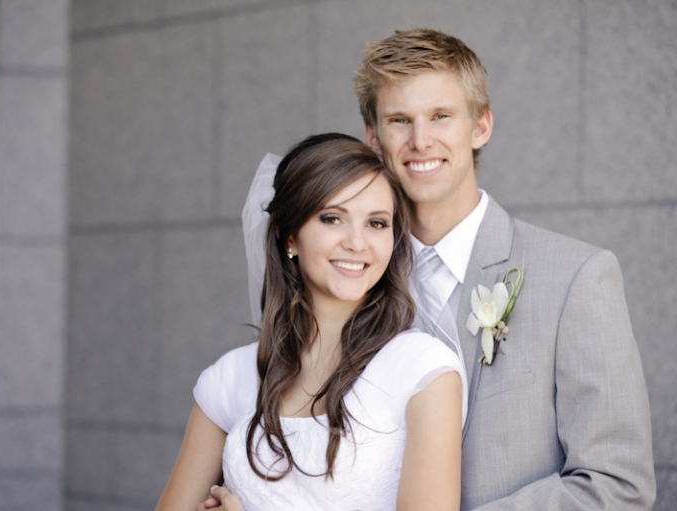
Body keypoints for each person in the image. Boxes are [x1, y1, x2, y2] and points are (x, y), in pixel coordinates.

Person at [229, 28, 656, 510]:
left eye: (441, 116)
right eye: (399, 120)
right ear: (373, 138)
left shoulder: (576, 277)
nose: (420, 141)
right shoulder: (345, 276)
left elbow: (617, 484)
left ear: (481, 126)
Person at [155, 133, 467, 510]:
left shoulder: (423, 370)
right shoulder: (230, 378)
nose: (357, 243)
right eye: (333, 218)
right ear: (290, 236)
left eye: (377, 223)